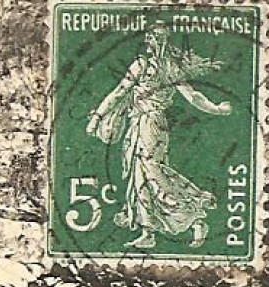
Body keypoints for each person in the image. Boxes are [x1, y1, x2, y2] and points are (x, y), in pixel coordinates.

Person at [86, 23, 232, 249]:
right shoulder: (170, 67)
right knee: (147, 173)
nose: (155, 42)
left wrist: (97, 117)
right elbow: (193, 97)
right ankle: (150, 228)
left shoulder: (143, 65)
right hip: (155, 125)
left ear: (153, 41)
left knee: (149, 174)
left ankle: (192, 217)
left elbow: (118, 94)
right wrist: (217, 108)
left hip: (147, 124)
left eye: (156, 38)